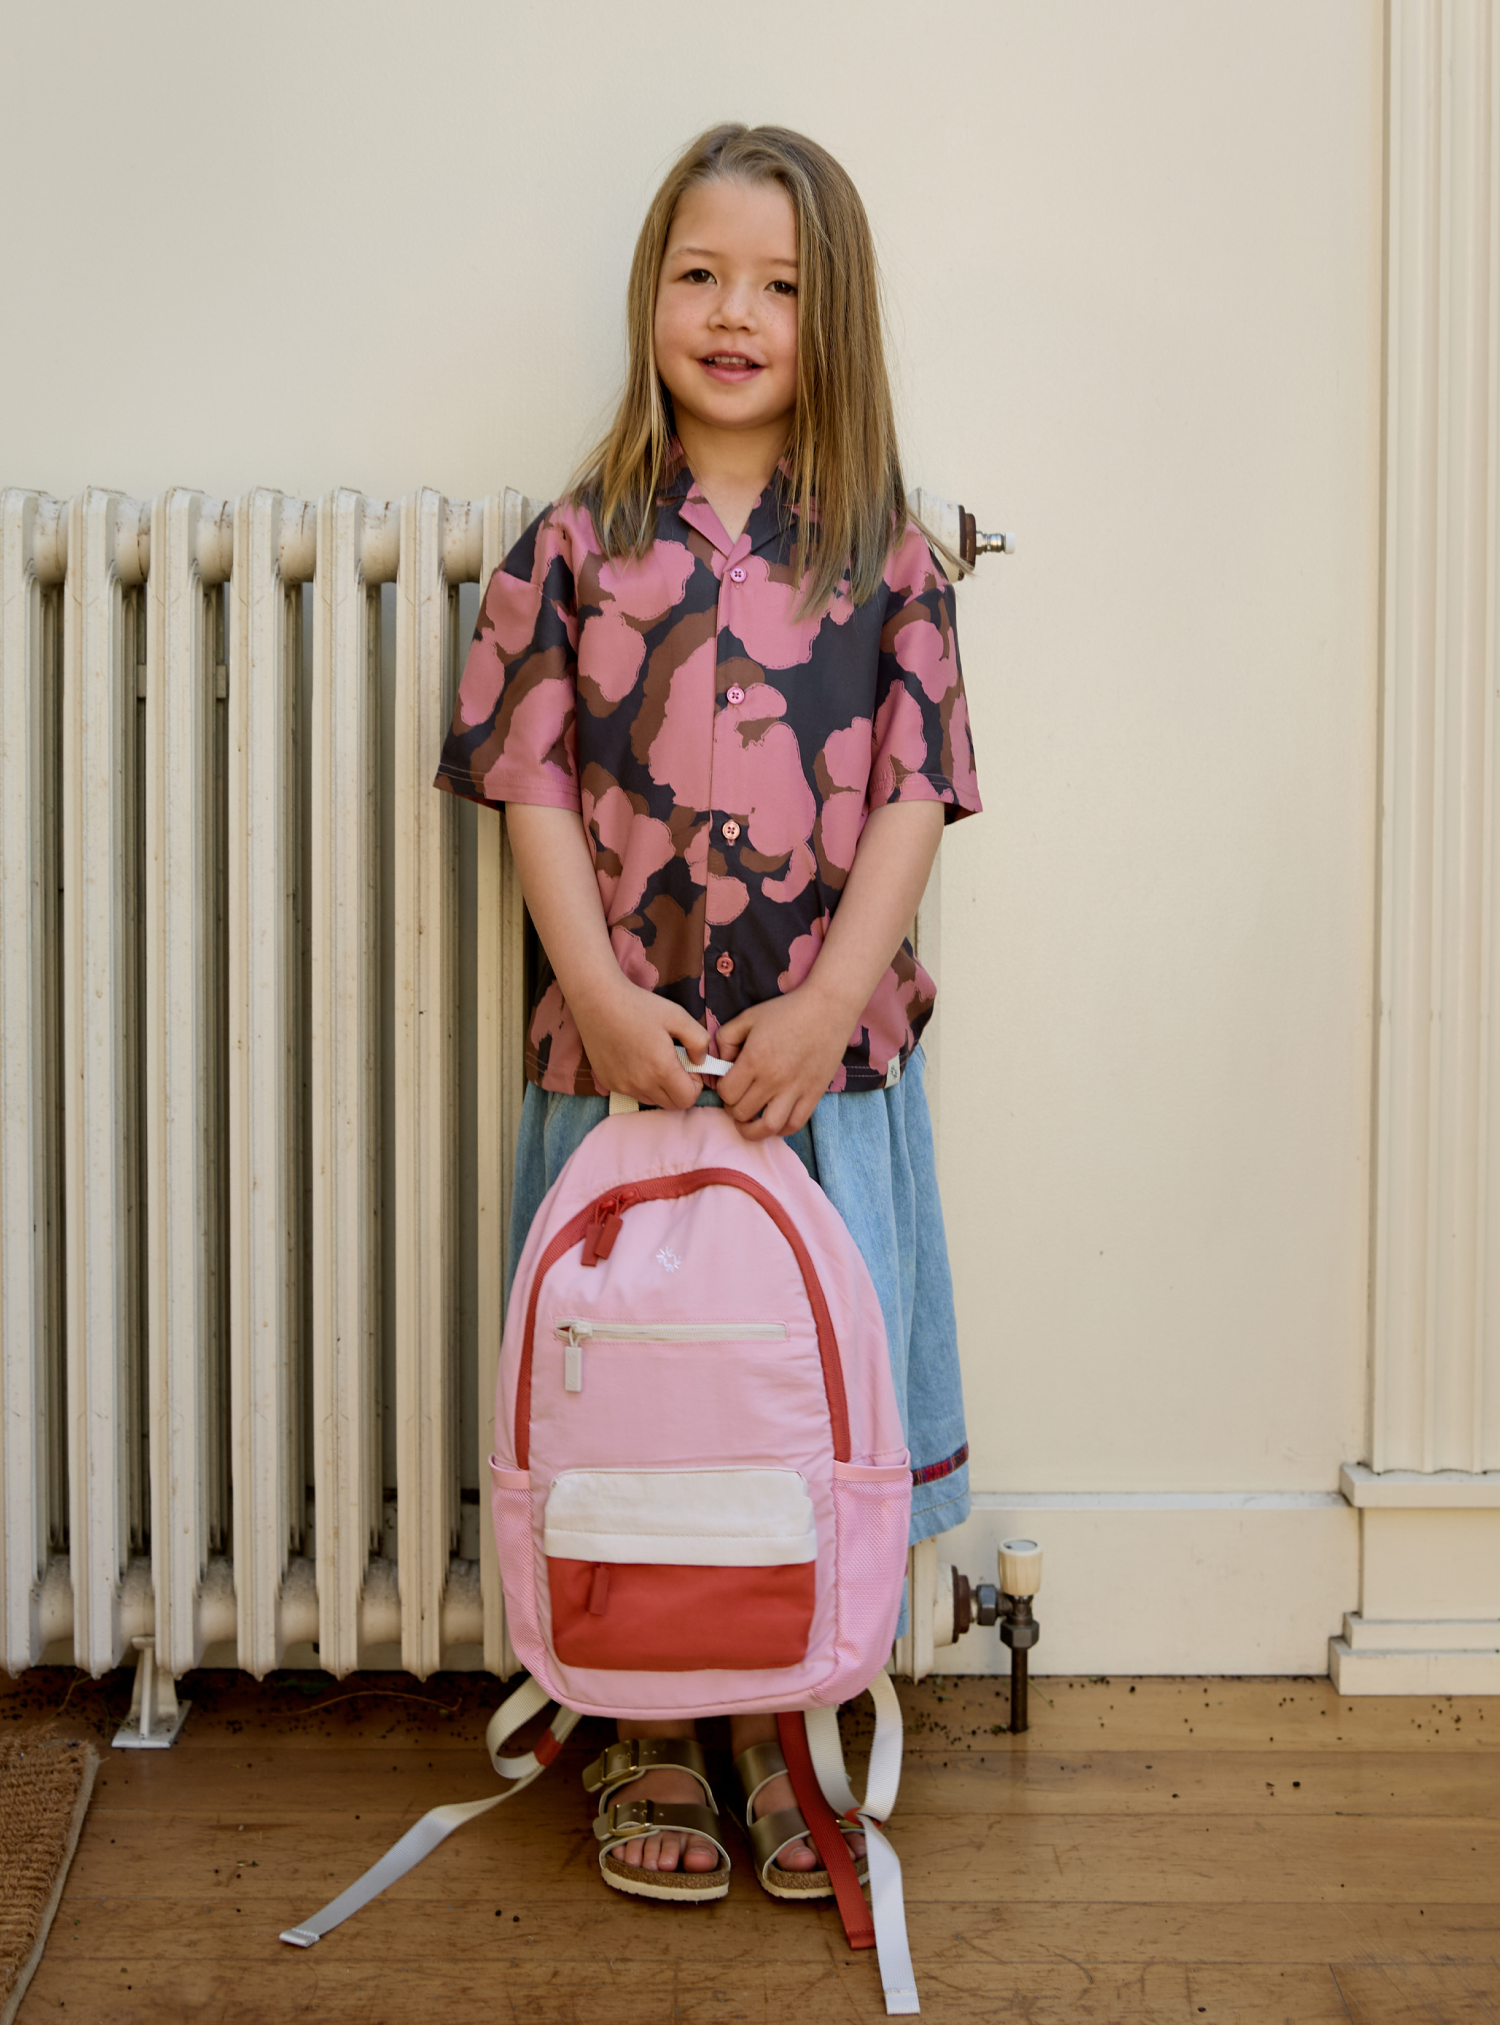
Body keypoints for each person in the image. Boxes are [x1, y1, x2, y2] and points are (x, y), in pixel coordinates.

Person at [435, 121, 981, 1903]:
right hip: (626, 1085)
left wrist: (827, 1004)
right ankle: (642, 1722)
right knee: (648, 1422)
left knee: (797, 1423)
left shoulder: (892, 559)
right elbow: (527, 780)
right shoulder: (572, 546)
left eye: (779, 286)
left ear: (838, 320)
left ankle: (783, 1718)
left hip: (818, 1086)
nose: (735, 313)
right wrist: (595, 991)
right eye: (701, 274)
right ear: (650, 295)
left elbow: (914, 793)